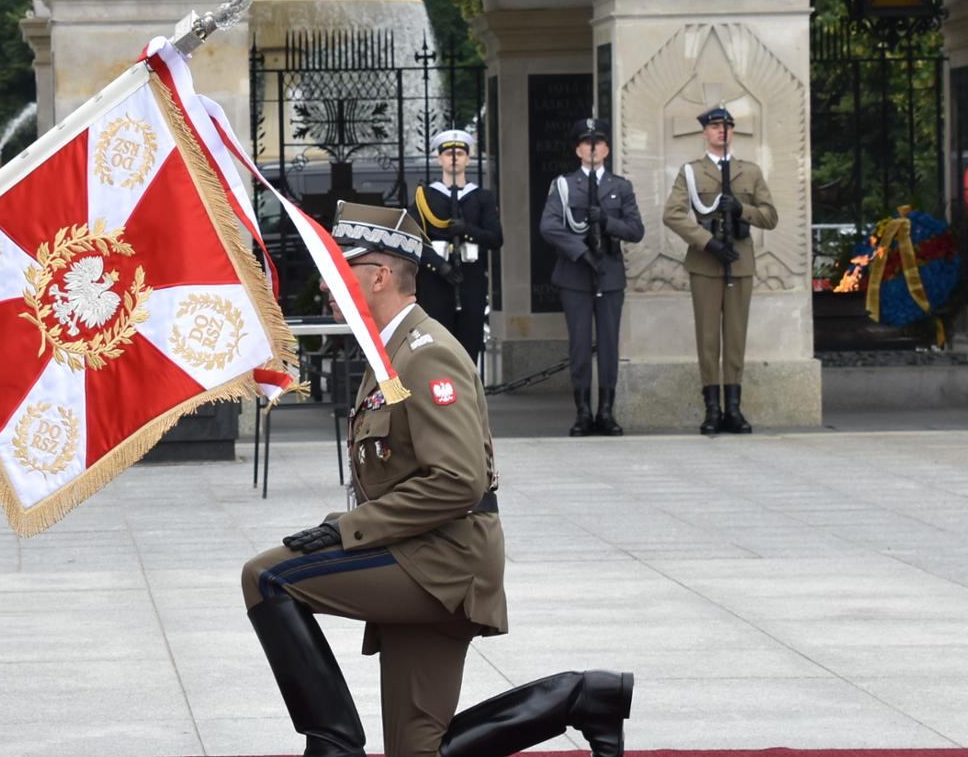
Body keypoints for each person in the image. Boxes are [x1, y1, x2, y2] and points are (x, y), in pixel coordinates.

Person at [241, 202, 630, 757]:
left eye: (339, 273)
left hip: (442, 564)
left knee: (267, 577)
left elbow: (457, 481)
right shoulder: (389, 352)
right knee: (415, 751)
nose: (328, 288)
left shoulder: (426, 355)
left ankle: (332, 744)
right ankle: (582, 698)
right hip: (418, 552)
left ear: (379, 276)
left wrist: (346, 529)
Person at [661, 106, 778, 435]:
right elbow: (673, 213)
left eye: (726, 126)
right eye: (714, 126)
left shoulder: (749, 172)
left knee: (736, 338)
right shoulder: (691, 172)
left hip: (739, 261)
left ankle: (734, 409)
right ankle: (712, 409)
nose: (720, 131)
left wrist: (743, 209)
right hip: (706, 262)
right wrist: (706, 242)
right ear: (705, 133)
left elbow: (770, 216)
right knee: (709, 337)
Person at [538, 118, 643, 437]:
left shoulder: (620, 187)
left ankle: (606, 411)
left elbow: (636, 230)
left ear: (607, 149)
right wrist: (581, 252)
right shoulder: (565, 185)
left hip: (609, 273)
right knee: (580, 346)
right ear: (578, 149)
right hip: (576, 274)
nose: (593, 148)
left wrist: (608, 222)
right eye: (587, 143)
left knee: (609, 345)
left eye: (598, 142)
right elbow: (550, 225)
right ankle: (583, 411)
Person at [411, 130, 501, 366]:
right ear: (439, 158)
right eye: (448, 153)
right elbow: (412, 239)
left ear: (468, 159)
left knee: (468, 346)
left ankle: (468, 400)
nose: (454, 157)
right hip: (436, 282)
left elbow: (496, 238)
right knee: (437, 347)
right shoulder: (425, 197)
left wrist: (467, 230)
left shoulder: (482, 197)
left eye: (460, 153)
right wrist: (439, 266)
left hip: (470, 279)